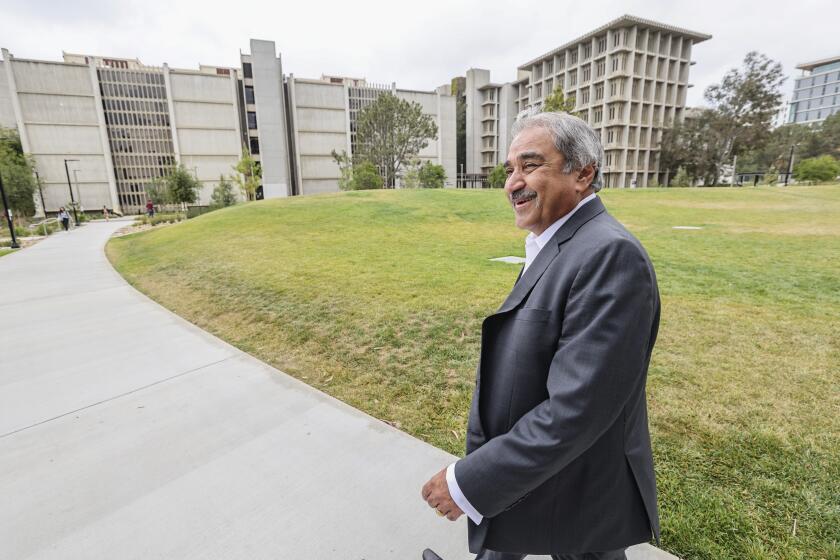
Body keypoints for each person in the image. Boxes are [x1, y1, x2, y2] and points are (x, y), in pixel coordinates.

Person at [422, 111, 661, 560]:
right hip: (549, 465)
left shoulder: (609, 255)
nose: (513, 182)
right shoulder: (560, 241)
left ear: (583, 172)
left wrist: (466, 482)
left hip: (581, 476)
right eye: (510, 169)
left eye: (530, 165)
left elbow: (577, 409)